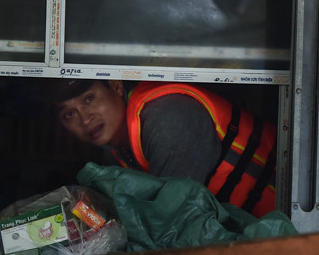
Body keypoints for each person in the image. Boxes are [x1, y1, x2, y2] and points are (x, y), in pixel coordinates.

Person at [48, 79, 277, 217]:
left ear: (116, 87)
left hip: (282, 223)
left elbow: (171, 220)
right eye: (69, 114)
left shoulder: (167, 118)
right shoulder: (115, 150)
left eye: (89, 99)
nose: (85, 119)